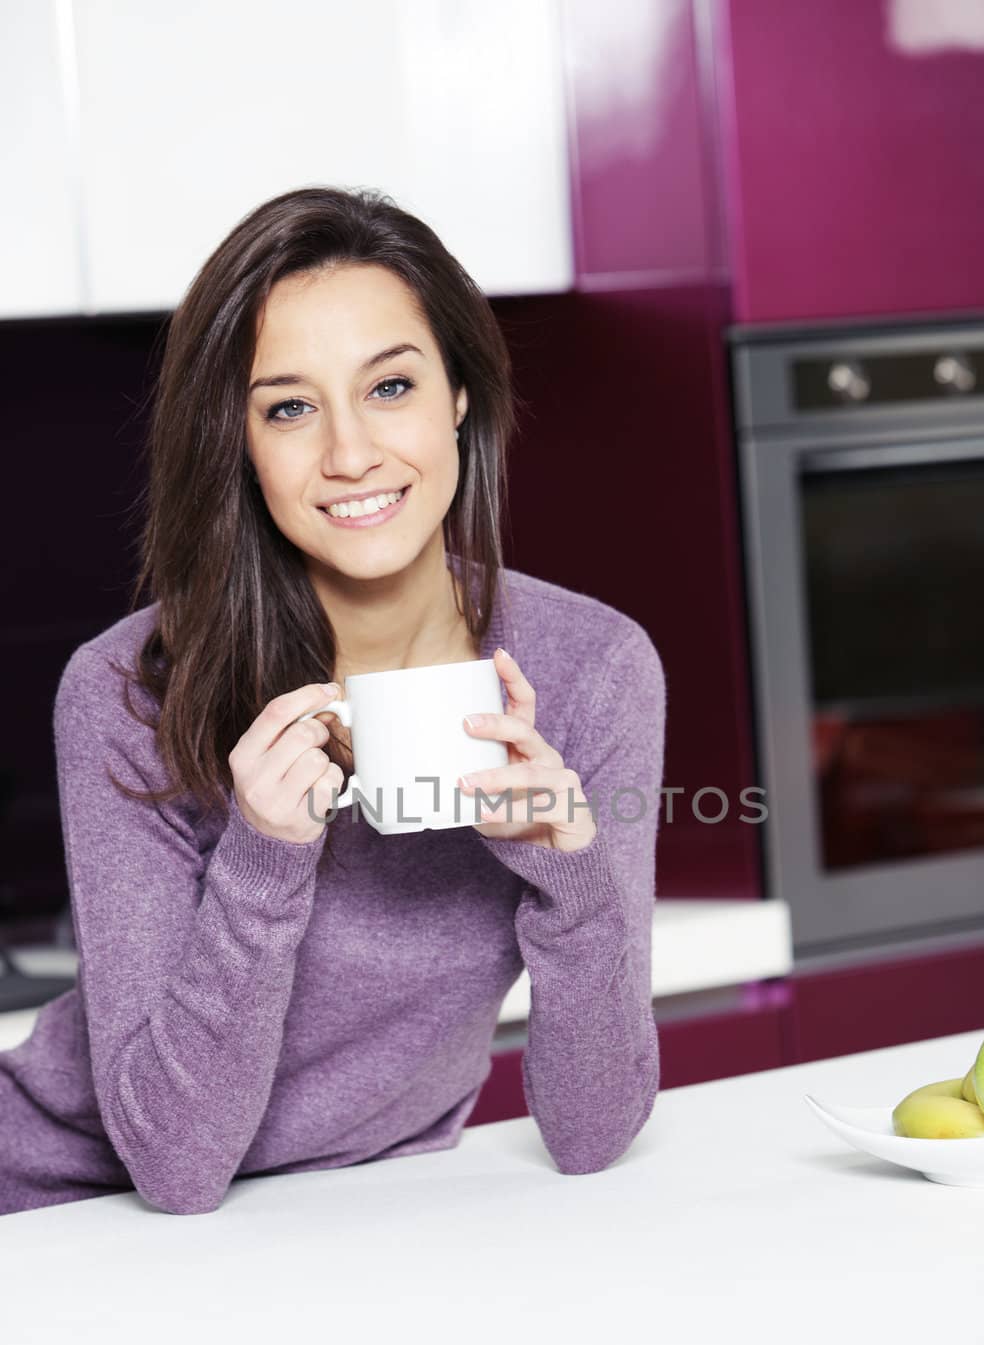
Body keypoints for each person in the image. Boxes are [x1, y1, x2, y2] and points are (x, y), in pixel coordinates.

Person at [0, 186, 667, 1217]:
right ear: (240, 442)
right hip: (61, 1210)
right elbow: (173, 1170)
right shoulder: (128, 689)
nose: (349, 454)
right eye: (289, 407)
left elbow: (592, 1134)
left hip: (351, 1220)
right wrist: (262, 853)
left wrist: (568, 876)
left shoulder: (590, 670)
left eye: (390, 386)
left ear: (457, 395)